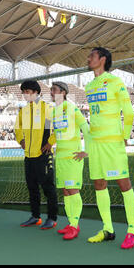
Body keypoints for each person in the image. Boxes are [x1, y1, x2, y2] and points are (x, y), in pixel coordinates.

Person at [85, 47, 134, 249]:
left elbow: (129, 112)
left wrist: (125, 136)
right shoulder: (89, 86)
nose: (89, 58)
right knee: (99, 183)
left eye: (92, 55)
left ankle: (132, 231)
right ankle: (108, 229)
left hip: (113, 142)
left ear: (103, 59)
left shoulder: (116, 82)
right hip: (95, 142)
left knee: (123, 183)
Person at [49, 82, 91, 240]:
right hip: (60, 157)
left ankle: (75, 225)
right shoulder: (54, 111)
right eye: (51, 90)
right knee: (66, 191)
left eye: (54, 90)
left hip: (73, 156)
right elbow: (57, 134)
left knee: (73, 190)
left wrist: (86, 151)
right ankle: (71, 222)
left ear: (63, 92)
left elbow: (85, 128)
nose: (51, 92)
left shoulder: (71, 107)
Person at [15, 80, 58, 230]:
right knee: (32, 187)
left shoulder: (46, 108)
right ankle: (35, 216)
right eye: (23, 92)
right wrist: (21, 141)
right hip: (29, 156)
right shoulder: (24, 111)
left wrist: (50, 142)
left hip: (43, 155)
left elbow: (57, 126)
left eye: (27, 92)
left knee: (48, 187)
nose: (25, 95)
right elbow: (17, 128)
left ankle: (52, 218)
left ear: (36, 92)